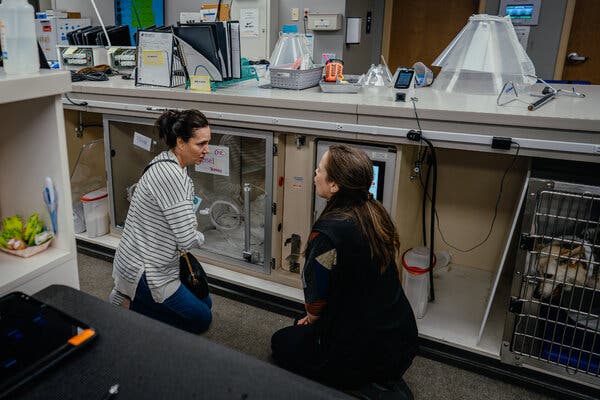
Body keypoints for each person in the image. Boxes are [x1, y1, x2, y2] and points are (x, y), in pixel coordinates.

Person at [271, 144, 418, 394]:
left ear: (335, 186)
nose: (315, 173)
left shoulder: (327, 233)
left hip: (364, 349)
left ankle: (367, 386)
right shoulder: (376, 214)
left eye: (320, 169)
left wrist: (312, 319)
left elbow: (315, 298)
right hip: (402, 338)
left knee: (282, 341)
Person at [109, 109, 212, 334]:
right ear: (181, 143)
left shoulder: (163, 160)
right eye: (200, 144)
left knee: (205, 301)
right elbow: (186, 238)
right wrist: (201, 235)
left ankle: (134, 300)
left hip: (147, 257)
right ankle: (128, 305)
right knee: (202, 319)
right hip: (144, 268)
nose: (206, 150)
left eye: (208, 143)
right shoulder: (173, 176)